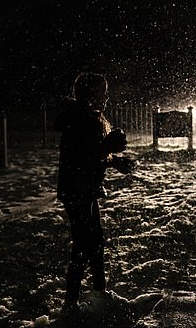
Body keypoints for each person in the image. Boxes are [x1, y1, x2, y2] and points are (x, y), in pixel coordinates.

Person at [54, 72, 135, 309]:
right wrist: (106, 149)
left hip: (85, 189)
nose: (106, 97)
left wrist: (114, 160)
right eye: (102, 92)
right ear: (90, 94)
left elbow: (92, 155)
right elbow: (78, 161)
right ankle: (72, 302)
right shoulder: (78, 120)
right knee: (84, 245)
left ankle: (100, 293)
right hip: (77, 190)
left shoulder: (90, 118)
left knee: (96, 242)